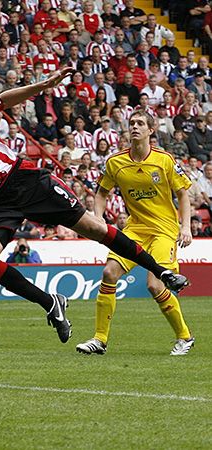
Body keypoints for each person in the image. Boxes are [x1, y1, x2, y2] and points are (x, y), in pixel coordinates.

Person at [0, 67, 189, 344]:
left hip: (24, 180)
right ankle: (51, 303)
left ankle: (162, 271)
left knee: (94, 228)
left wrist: (42, 85)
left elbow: (0, 101)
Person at [76, 111, 195, 356]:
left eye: (140, 123)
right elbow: (101, 193)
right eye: (132, 123)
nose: (135, 127)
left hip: (163, 230)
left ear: (151, 130)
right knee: (109, 272)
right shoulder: (115, 162)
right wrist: (98, 219)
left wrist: (185, 227)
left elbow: (183, 193)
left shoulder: (165, 160)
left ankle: (184, 337)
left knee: (154, 284)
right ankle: (99, 339)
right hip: (134, 229)